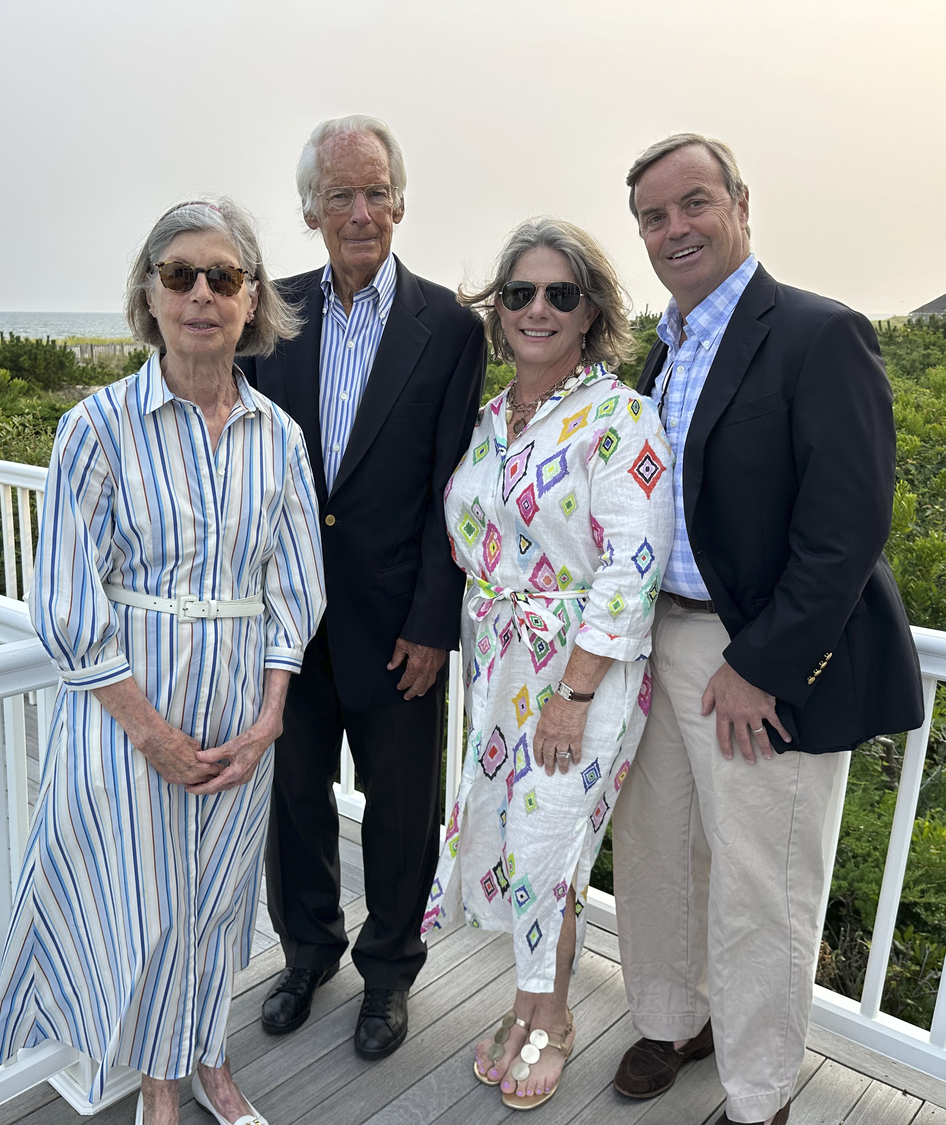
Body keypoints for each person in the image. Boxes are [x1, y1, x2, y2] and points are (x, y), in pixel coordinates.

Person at [609, 134, 924, 1125]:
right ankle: (672, 1019)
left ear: (741, 204)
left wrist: (765, 666)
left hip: (752, 658)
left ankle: (758, 1097)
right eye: (654, 218)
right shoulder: (663, 346)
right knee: (658, 853)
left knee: (762, 886)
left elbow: (846, 525)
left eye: (692, 204)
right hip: (657, 641)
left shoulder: (820, 334)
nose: (675, 229)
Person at [0, 198, 326, 1125]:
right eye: (180, 274)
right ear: (150, 294)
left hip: (238, 704)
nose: (201, 293)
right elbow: (64, 598)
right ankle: (159, 1079)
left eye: (223, 276)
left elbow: (295, 589)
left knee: (216, 900)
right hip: (128, 707)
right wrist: (150, 734)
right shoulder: (97, 427)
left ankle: (208, 1060)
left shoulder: (280, 438)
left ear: (252, 298)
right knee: (141, 901)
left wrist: (270, 717)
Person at [235, 115, 485, 1061]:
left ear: (401, 200)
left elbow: (447, 486)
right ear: (310, 210)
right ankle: (307, 954)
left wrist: (433, 620)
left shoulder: (450, 329)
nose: (361, 210)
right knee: (294, 803)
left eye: (376, 190)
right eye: (340, 194)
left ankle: (387, 973)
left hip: (397, 627)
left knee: (402, 812)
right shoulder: (274, 313)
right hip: (289, 626)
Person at [421, 218, 674, 1109]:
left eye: (559, 294)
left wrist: (571, 693)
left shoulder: (620, 417)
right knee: (510, 839)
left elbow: (630, 568)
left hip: (580, 674)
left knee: (547, 845)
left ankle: (553, 1016)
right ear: (498, 311)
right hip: (499, 666)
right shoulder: (495, 418)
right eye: (519, 293)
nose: (537, 308)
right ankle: (527, 999)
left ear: (591, 311)